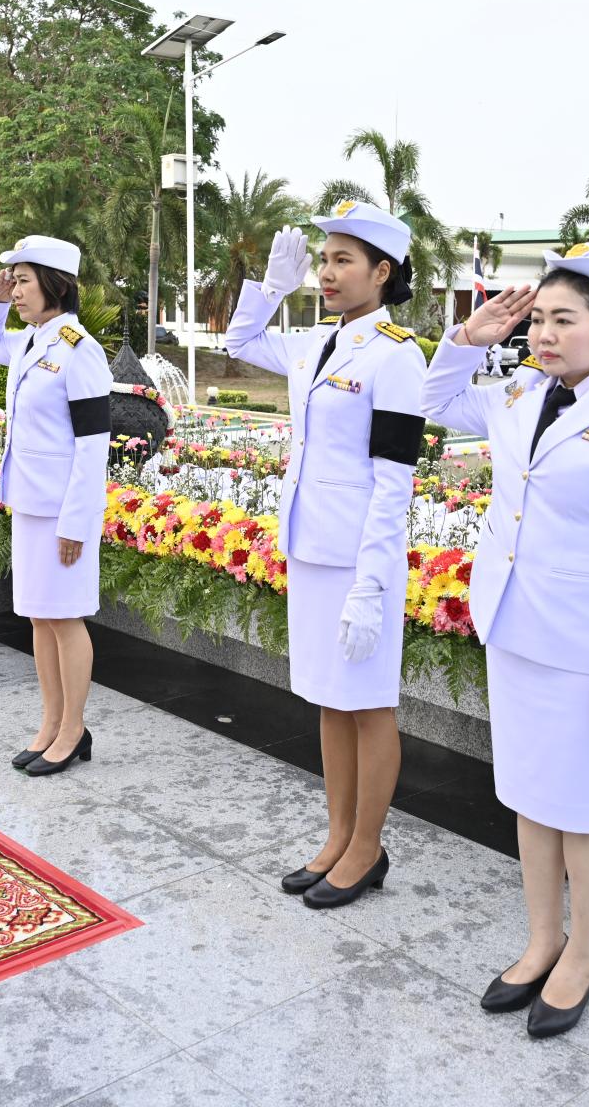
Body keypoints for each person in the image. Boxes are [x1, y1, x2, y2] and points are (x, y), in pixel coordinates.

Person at [421, 243, 589, 1040]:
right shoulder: (516, 396)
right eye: (537, 319)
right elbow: (434, 400)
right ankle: (542, 939)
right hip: (516, 629)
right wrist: (466, 339)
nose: (543, 334)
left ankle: (583, 954)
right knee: (531, 795)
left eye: (563, 320)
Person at [227, 200, 426, 910]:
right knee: (329, 701)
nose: (328, 273)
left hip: (358, 558)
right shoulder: (316, 343)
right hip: (311, 546)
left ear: (383, 272)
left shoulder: (397, 356)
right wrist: (270, 288)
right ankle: (338, 835)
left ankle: (368, 847)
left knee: (368, 705)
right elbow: (241, 338)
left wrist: (372, 585)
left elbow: (394, 481)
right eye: (324, 260)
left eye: (344, 260)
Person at [0, 235, 112, 774]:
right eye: (13, 282)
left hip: (62, 512)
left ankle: (73, 729)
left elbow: (92, 445)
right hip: (30, 503)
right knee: (39, 617)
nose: (16, 291)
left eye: (23, 281)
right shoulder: (30, 341)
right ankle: (50, 722)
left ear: (55, 284)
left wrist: (76, 522)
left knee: (65, 619)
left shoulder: (80, 349)